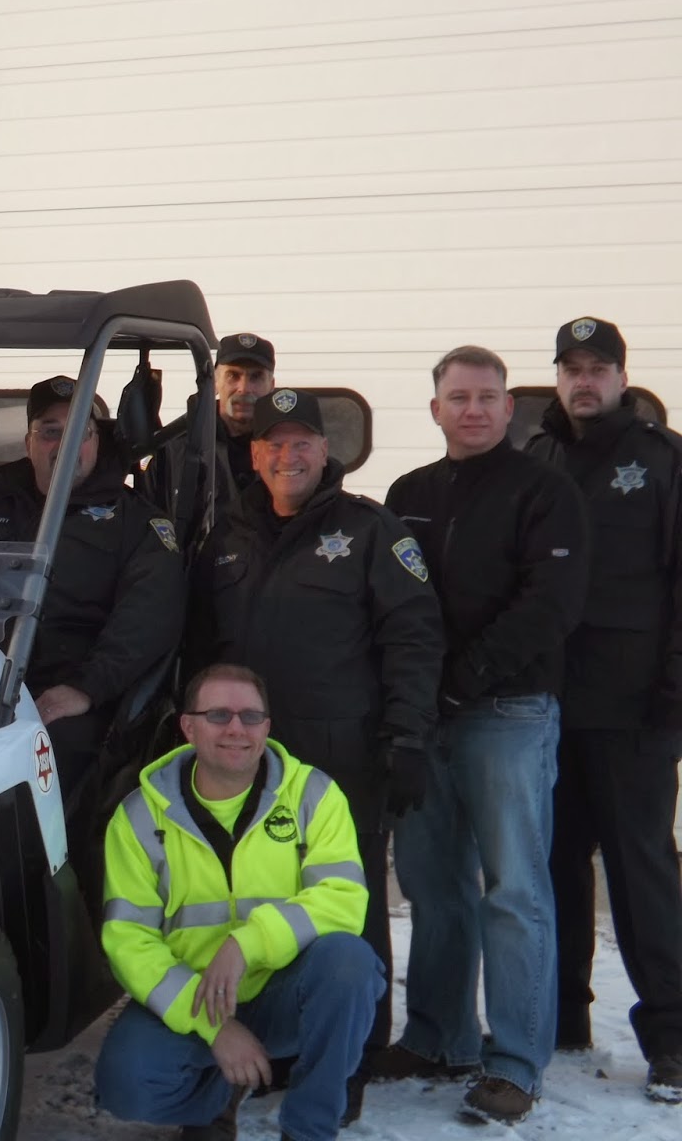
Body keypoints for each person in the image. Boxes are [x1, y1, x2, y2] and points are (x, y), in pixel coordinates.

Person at [186, 386, 443, 1094]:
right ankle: (272, 1046)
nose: (288, 454)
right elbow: (200, 646)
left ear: (326, 453)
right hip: (242, 759)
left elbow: (413, 638)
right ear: (254, 453)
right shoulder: (225, 537)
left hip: (343, 757)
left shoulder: (372, 531)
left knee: (344, 906)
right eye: (275, 443)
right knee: (255, 904)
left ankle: (348, 1066)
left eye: (303, 442)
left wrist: (406, 739)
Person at [379, 345, 590, 1123]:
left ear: (510, 409)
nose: (472, 408)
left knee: (513, 891)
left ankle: (515, 1061)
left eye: (487, 396)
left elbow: (551, 605)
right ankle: (438, 1036)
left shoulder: (546, 493)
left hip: (509, 713)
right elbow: (393, 601)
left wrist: (463, 678)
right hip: (424, 718)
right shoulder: (407, 494)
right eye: (458, 396)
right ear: (434, 409)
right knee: (434, 887)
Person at [94, 662, 383, 1141]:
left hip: (285, 993)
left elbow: (344, 900)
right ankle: (215, 1100)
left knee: (351, 965)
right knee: (127, 1085)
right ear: (188, 727)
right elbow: (128, 940)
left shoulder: (314, 794)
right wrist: (215, 1028)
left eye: (251, 717)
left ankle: (309, 1128)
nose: (236, 729)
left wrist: (248, 943)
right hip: (197, 996)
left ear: (267, 727)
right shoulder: (139, 817)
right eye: (218, 715)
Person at [523, 316, 682, 1104]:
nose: (584, 381)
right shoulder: (539, 457)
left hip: (635, 711)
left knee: (642, 872)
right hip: (549, 707)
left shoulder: (663, 461)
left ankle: (674, 1040)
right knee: (553, 870)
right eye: (571, 368)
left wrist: (674, 692)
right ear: (557, 377)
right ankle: (559, 1021)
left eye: (599, 368)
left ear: (623, 377)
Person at [0, 375, 185, 865]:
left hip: (70, 697)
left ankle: (45, 891)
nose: (64, 443)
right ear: (29, 442)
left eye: (79, 431)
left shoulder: (135, 522)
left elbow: (148, 619)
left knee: (43, 771)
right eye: (50, 431)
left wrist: (86, 689)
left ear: (98, 440)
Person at [146, 332, 276, 520]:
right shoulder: (176, 449)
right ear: (215, 382)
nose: (244, 388)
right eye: (233, 375)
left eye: (256, 377)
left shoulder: (286, 450)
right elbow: (149, 525)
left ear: (271, 386)